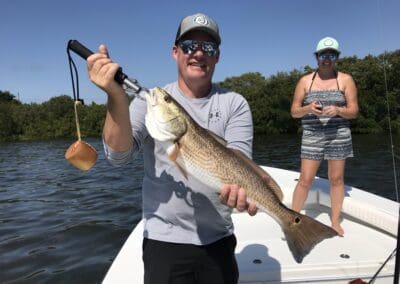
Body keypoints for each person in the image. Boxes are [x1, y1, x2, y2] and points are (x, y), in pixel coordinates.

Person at [86, 13, 256, 284]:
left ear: (217, 56)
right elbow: (118, 156)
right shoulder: (151, 101)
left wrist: (243, 191)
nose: (198, 53)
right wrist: (115, 96)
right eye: (189, 46)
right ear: (175, 52)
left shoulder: (234, 103)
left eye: (208, 48)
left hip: (219, 239)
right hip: (164, 241)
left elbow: (240, 162)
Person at [290, 36, 359, 236]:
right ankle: (292, 221)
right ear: (317, 57)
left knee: (336, 179)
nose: (327, 58)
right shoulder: (305, 81)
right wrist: (308, 108)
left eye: (331, 54)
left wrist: (338, 110)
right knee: (305, 179)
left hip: (339, 135)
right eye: (323, 54)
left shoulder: (345, 80)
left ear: (336, 57)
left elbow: (354, 111)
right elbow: (294, 111)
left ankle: (335, 222)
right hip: (312, 134)